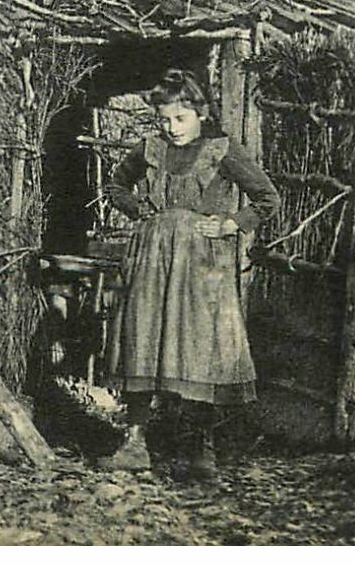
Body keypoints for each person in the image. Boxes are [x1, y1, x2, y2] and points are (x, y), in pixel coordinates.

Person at [100, 68, 280, 480]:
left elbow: (267, 197)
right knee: (144, 340)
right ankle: (134, 443)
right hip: (152, 259)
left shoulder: (222, 150)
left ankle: (200, 448)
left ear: (200, 112)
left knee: (201, 348)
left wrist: (232, 224)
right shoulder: (149, 148)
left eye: (180, 119)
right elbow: (116, 186)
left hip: (201, 265)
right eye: (163, 119)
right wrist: (139, 211)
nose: (171, 128)